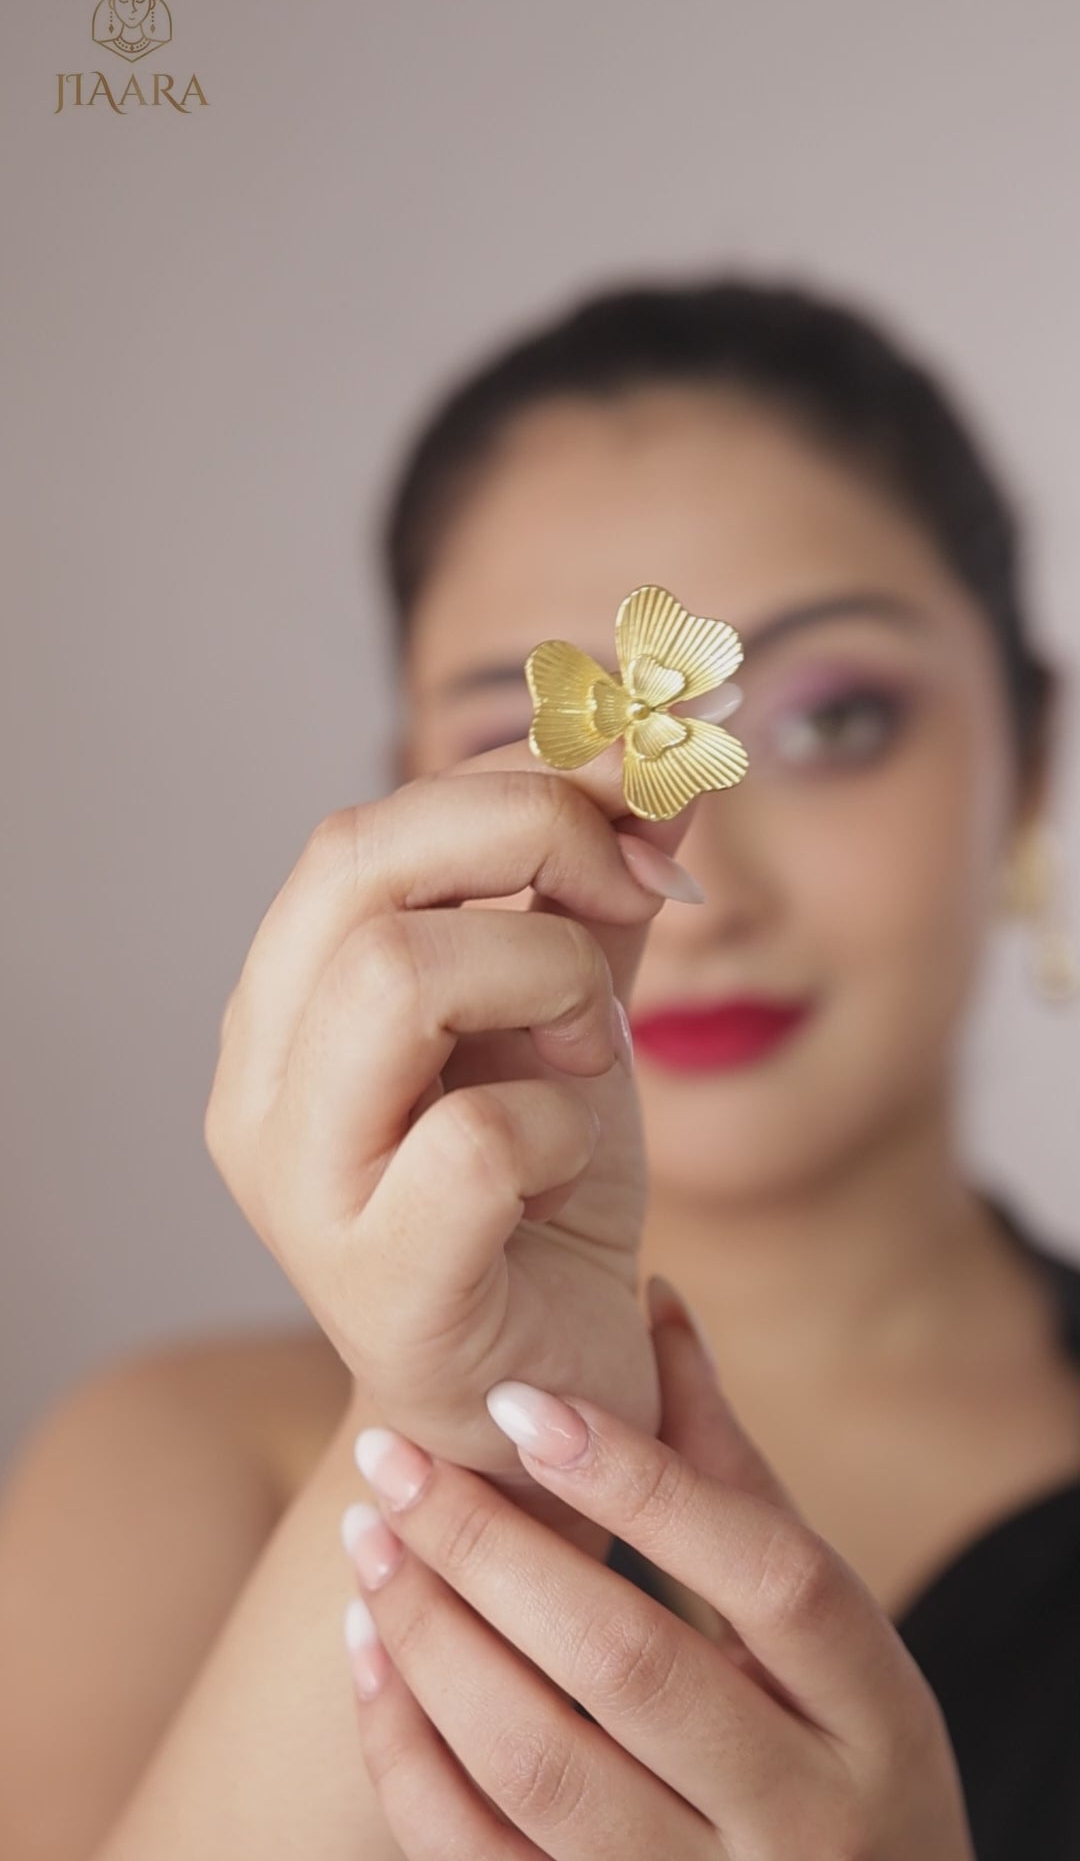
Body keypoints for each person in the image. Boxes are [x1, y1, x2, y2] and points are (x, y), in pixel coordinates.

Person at [1, 273, 1077, 1860]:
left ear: (1030, 763)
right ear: (407, 808)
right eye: (551, 738)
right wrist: (454, 1426)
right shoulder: (174, 1471)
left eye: (838, 718)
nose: (699, 871)